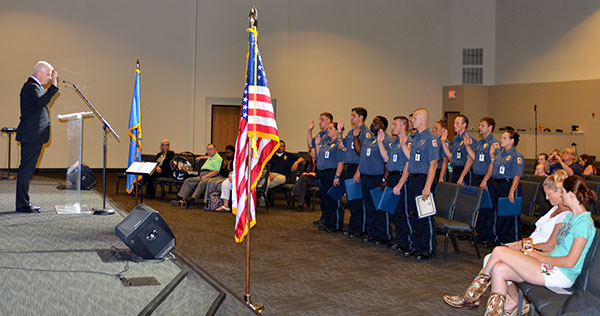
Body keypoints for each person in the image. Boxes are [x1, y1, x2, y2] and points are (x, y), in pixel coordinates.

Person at [444, 175, 596, 316]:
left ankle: (471, 294)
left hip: (561, 274)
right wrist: (538, 255)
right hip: (550, 265)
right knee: (499, 270)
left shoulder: (583, 223)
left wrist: (537, 256)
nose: (561, 195)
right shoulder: (570, 216)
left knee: (499, 251)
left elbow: (570, 262)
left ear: (570, 194)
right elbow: (554, 248)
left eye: (562, 192)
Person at [394, 108, 439, 260]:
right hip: (413, 179)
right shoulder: (414, 138)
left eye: (414, 118)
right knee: (414, 215)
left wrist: (427, 187)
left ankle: (428, 249)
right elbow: (411, 158)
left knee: (425, 216)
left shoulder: (430, 139)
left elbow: (433, 165)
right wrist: (403, 144)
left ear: (422, 120)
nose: (412, 121)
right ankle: (418, 246)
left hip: (423, 179)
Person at [15, 61, 59, 213]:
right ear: (39, 72)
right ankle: (22, 204)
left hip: (34, 135)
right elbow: (41, 102)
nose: (48, 78)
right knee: (26, 170)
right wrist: (53, 86)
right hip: (31, 135)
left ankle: (24, 202)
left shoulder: (35, 87)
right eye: (47, 75)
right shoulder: (31, 87)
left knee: (27, 170)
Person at [480, 130, 525, 244]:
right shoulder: (500, 154)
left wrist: (512, 191)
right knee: (498, 214)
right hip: (497, 185)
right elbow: (492, 166)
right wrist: (485, 180)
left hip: (509, 185)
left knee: (510, 216)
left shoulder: (517, 156)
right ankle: (499, 239)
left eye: (504, 138)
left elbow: (517, 175)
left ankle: (513, 241)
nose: (501, 140)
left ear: (512, 141)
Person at [355, 116, 393, 244]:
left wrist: (384, 178)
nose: (372, 124)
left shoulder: (386, 140)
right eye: (372, 121)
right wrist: (355, 138)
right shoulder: (369, 139)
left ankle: (384, 235)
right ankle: (373, 233)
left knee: (380, 208)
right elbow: (360, 153)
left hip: (378, 178)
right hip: (366, 178)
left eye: (375, 122)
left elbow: (387, 161)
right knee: (369, 207)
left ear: (383, 125)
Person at [378, 116, 411, 252]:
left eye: (395, 125)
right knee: (394, 212)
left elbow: (409, 164)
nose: (392, 127)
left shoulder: (408, 142)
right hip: (392, 177)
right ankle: (399, 240)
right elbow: (387, 158)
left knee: (402, 213)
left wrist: (400, 184)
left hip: (400, 178)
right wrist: (380, 142)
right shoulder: (394, 143)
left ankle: (406, 242)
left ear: (403, 127)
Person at [465, 117, 500, 244]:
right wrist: (468, 147)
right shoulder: (480, 142)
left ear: (490, 128)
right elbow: (475, 157)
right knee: (479, 208)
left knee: (488, 209)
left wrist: (485, 180)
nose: (479, 127)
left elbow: (493, 163)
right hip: (477, 178)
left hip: (487, 179)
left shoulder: (494, 143)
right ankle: (480, 234)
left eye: (482, 125)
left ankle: (489, 236)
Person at [337, 107, 369, 238]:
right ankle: (353, 227)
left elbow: (364, 154)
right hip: (349, 168)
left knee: (357, 201)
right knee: (352, 200)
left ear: (361, 117)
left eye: (354, 115)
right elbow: (341, 146)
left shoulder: (365, 133)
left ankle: (359, 229)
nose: (351, 118)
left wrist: (358, 171)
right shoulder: (351, 132)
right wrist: (339, 131)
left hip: (357, 168)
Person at [315, 122, 345, 232]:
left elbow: (341, 162)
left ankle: (335, 225)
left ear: (337, 130)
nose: (328, 130)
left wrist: (337, 176)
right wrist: (317, 146)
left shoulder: (338, 144)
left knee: (333, 200)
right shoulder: (326, 142)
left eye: (331, 128)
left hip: (332, 173)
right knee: (326, 200)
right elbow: (319, 158)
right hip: (323, 174)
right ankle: (327, 222)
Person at [171, 144, 222, 208]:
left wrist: (205, 176)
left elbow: (216, 172)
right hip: (201, 174)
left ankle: (191, 200)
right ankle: (180, 199)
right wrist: (201, 157)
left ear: (215, 150)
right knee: (188, 180)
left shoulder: (218, 158)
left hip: (210, 175)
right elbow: (208, 157)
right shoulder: (211, 157)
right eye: (208, 149)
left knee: (201, 183)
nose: (209, 151)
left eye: (211, 149)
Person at [443, 115, 473, 185]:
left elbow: (470, 159)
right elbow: (450, 156)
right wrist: (443, 142)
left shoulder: (468, 139)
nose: (454, 125)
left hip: (465, 171)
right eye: (454, 123)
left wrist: (462, 176)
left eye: (457, 123)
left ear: (464, 125)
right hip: (455, 170)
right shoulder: (455, 139)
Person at [291, 147, 317, 212]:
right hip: (307, 179)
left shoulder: (320, 162)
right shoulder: (308, 162)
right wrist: (308, 174)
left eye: (315, 151)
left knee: (303, 177)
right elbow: (304, 172)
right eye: (312, 152)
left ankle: (293, 192)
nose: (313, 153)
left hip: (316, 181)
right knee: (303, 184)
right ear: (309, 153)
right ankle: (301, 204)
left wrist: (310, 174)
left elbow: (318, 174)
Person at [432, 118, 449, 186]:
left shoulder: (444, 142)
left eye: (436, 128)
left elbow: (445, 160)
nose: (434, 130)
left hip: (440, 170)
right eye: (433, 128)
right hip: (434, 169)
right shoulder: (435, 141)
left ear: (443, 130)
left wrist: (441, 177)